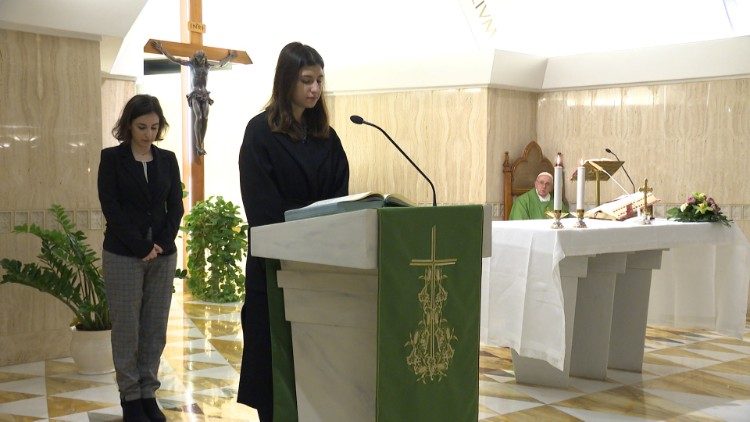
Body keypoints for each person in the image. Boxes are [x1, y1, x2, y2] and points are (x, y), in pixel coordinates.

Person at [237, 42, 349, 421]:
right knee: (274, 371)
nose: (315, 88)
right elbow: (262, 208)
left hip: (318, 269)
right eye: (306, 80)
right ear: (286, 81)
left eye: (319, 79)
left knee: (316, 369)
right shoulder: (260, 133)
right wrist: (303, 236)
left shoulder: (327, 138)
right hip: (276, 268)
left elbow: (339, 198)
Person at [98, 94, 184, 421]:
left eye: (154, 127)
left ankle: (148, 392)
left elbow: (175, 206)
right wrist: (140, 246)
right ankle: (130, 396)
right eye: (141, 127)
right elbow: (112, 209)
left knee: (154, 326)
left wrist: (160, 243)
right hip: (123, 253)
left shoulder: (168, 159)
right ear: (129, 125)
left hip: (162, 254)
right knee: (127, 327)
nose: (149, 134)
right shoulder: (112, 159)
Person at [151, 40, 236, 156]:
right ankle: (198, 144)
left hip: (205, 94)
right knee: (199, 116)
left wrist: (230, 56)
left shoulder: (208, 66)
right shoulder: (191, 65)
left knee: (205, 117)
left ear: (204, 58)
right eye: (198, 58)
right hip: (195, 94)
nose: (201, 61)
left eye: (202, 59)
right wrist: (162, 50)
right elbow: (175, 59)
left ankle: (201, 142)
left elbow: (221, 63)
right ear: (195, 58)